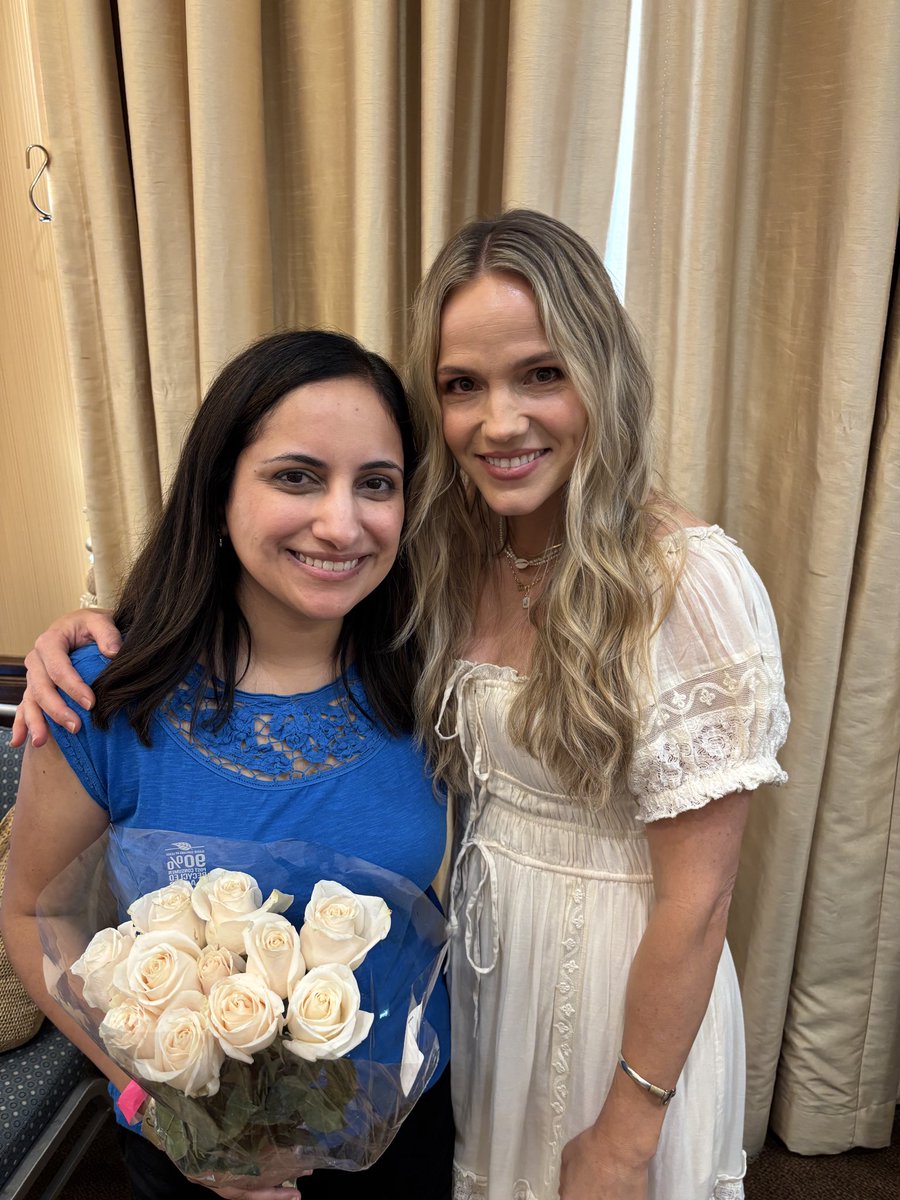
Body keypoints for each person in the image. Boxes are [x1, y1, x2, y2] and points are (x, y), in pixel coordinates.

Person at [15, 210, 790, 1200]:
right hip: (442, 1027)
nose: (500, 420)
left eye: (541, 373)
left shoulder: (494, 617)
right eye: (463, 385)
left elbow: (704, 890)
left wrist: (628, 1133)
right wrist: (155, 1106)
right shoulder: (437, 583)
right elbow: (38, 907)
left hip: (574, 1020)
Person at [1, 330, 453, 1200]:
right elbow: (32, 917)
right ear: (216, 496)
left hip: (406, 1134)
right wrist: (156, 1105)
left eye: (377, 484)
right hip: (191, 1152)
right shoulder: (101, 695)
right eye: (296, 476)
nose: (342, 521)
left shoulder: (431, 671)